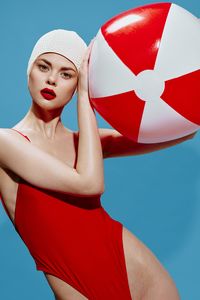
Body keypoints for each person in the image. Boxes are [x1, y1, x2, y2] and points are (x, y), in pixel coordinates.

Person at [0, 29, 194, 300]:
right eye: (44, 67)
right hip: (75, 283)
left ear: (79, 82)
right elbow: (89, 184)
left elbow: (184, 129)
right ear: (29, 70)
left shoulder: (84, 142)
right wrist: (84, 100)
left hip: (134, 269)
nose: (52, 79)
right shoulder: (5, 142)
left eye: (67, 74)